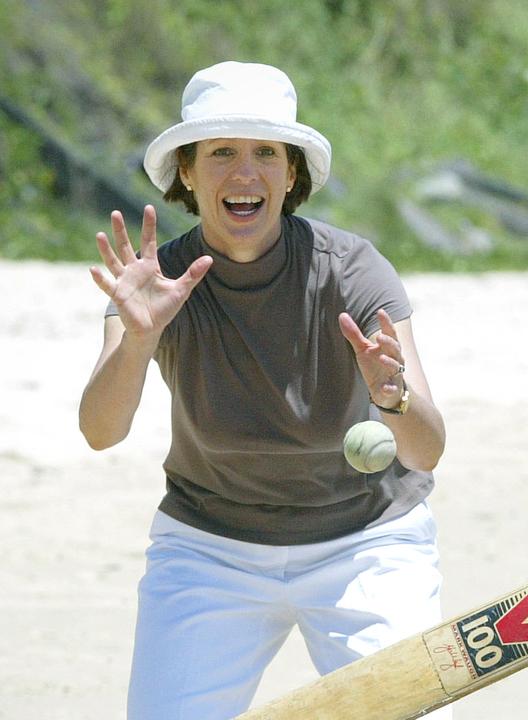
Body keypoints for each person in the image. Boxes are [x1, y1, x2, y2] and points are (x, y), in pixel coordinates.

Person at [79, 61, 450, 719]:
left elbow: (425, 451)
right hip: (209, 547)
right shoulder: (153, 282)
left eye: (265, 153)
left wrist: (392, 398)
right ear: (188, 173)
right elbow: (100, 431)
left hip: (366, 541)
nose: (244, 172)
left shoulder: (353, 271)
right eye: (221, 152)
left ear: (290, 174)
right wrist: (137, 340)